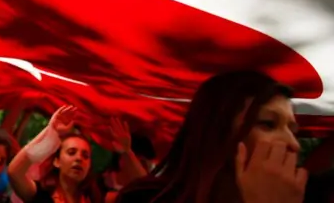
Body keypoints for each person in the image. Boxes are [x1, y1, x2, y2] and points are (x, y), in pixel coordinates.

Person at [117, 70, 308, 203]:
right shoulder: (145, 198)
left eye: (293, 130)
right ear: (217, 131)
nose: (293, 144)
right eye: (268, 124)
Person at [8, 106, 103, 203]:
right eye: (71, 152)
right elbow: (15, 172)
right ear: (57, 161)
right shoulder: (42, 196)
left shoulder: (95, 199)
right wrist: (52, 132)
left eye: (85, 156)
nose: (79, 158)